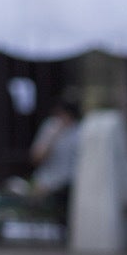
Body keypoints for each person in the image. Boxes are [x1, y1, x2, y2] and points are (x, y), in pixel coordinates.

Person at [27, 96, 82, 224]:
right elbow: (36, 158)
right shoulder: (50, 127)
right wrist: (54, 136)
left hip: (70, 184)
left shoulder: (80, 130)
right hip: (48, 183)